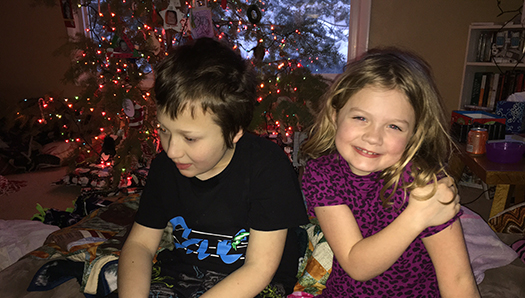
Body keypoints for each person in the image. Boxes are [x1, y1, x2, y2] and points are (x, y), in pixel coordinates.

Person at [118, 38, 309, 298]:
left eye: (190, 138)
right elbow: (140, 244)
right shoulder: (165, 167)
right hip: (183, 275)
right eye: (163, 130)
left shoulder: (268, 167)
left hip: (253, 283)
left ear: (234, 132)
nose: (171, 150)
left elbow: (259, 268)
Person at [300, 48, 480, 297]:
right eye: (361, 118)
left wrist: (424, 205)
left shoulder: (424, 185)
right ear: (335, 115)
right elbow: (355, 263)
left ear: (414, 134)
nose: (373, 137)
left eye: (394, 126)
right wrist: (418, 216)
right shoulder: (322, 173)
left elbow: (458, 279)